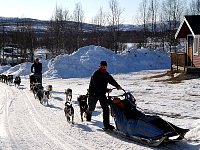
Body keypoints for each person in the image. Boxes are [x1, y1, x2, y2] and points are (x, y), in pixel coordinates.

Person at [86, 61, 122, 130]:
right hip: (93, 94)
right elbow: (96, 86)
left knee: (106, 108)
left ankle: (106, 125)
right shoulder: (95, 74)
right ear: (100, 66)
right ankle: (88, 113)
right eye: (102, 66)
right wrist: (106, 90)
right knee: (91, 108)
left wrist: (117, 86)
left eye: (105, 66)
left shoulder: (106, 74)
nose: (104, 67)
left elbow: (111, 80)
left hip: (102, 94)